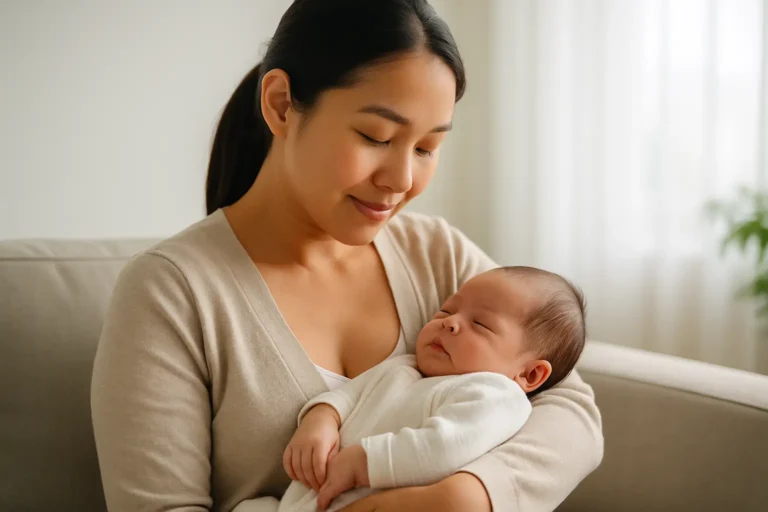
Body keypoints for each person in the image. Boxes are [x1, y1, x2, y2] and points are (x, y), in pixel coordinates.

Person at [90, 1, 604, 511]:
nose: (401, 181)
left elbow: (569, 406)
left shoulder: (436, 255)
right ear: (282, 105)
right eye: (375, 136)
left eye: (426, 148)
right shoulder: (172, 292)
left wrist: (463, 496)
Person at [231, 266, 587, 512]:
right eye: (446, 311)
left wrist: (364, 463)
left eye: (479, 324)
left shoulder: (496, 395)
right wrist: (321, 419)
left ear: (530, 375)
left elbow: (447, 443)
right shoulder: (406, 367)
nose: (449, 323)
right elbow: (350, 395)